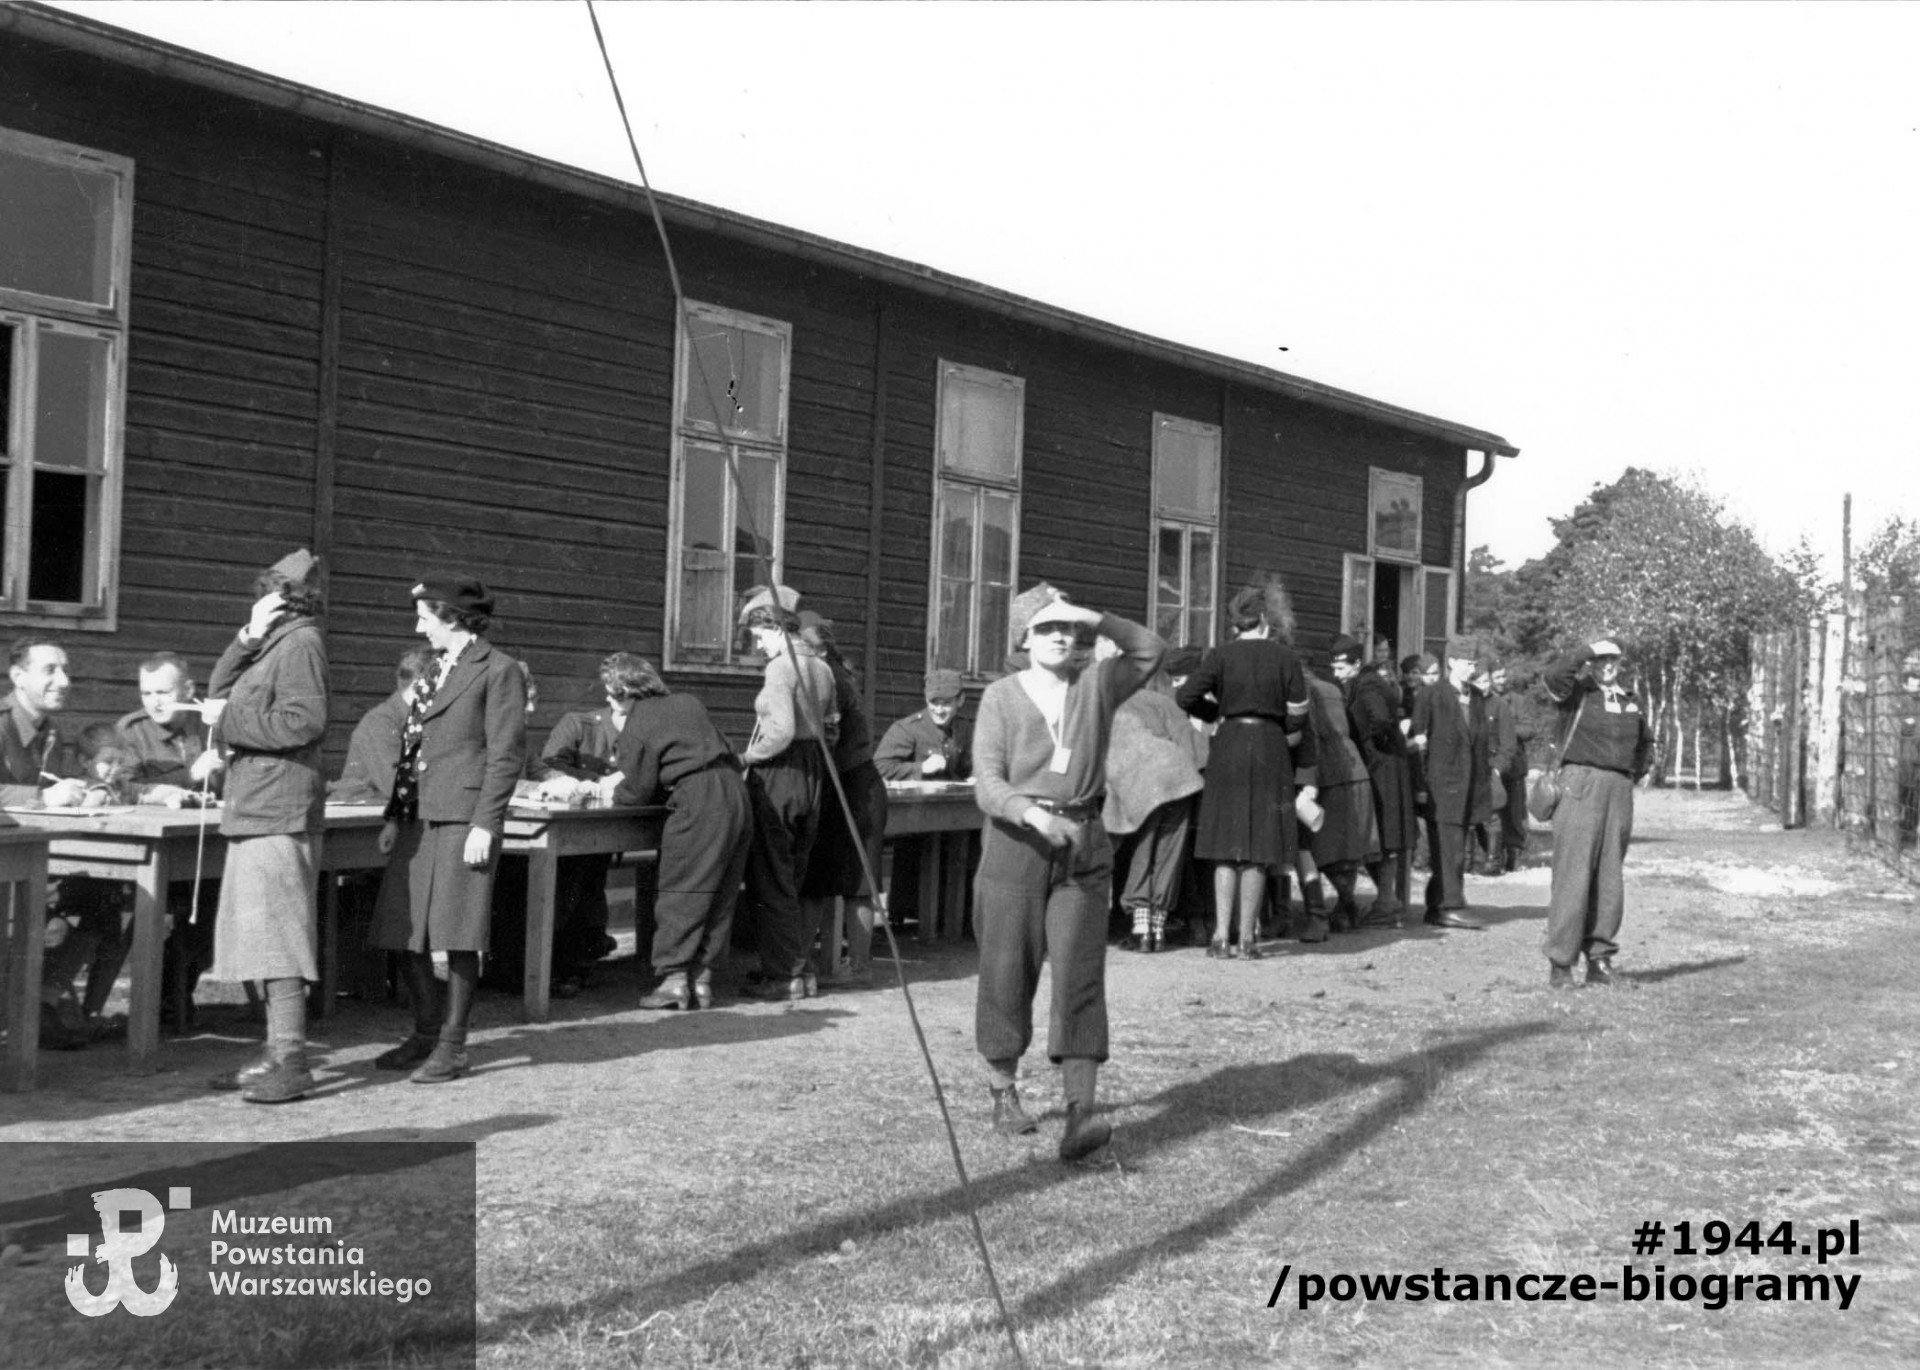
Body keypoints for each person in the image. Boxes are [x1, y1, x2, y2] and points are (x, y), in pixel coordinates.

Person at [974, 581, 1162, 1161]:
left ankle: (1081, 1113)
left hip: (1084, 844)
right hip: (1015, 847)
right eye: (1046, 627)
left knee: (1080, 976)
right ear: (1024, 638)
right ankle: (1004, 1091)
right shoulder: (1001, 698)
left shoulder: (1097, 686)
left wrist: (1092, 614)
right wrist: (1032, 815)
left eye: (1068, 628)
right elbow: (988, 783)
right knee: (1008, 972)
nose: (1060, 636)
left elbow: (1150, 650)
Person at [372, 575, 528, 1083]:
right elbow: (411, 748)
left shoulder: (498, 671)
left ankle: (454, 1045)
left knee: (460, 933)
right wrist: (396, 815)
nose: (420, 627)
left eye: (426, 617)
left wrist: (487, 822)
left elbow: (505, 754)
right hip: (418, 817)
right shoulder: (437, 669)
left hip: (464, 818)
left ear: (454, 618)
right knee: (409, 930)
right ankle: (425, 1032)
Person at [199, 549, 331, 1103]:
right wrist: (246, 637)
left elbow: (304, 722)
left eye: (266, 592)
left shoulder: (301, 644)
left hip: (277, 808)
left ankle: (292, 1061)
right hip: (256, 806)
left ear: (284, 598)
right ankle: (277, 1055)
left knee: (278, 940)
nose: (260, 599)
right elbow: (217, 689)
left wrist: (227, 720)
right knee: (261, 937)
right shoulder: (273, 643)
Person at [591, 655, 751, 1010]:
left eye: (611, 694)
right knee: (720, 890)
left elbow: (637, 791)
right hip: (736, 793)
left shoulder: (638, 721)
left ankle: (674, 979)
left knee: (683, 888)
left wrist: (608, 790)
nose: (608, 701)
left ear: (626, 691)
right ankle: (702, 979)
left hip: (697, 799)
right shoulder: (688, 702)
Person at [1176, 583, 1317, 960]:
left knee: (1226, 845)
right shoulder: (1285, 658)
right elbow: (1300, 711)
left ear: (1236, 623)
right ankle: (1248, 941)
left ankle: (1220, 937)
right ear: (1265, 620)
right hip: (1270, 746)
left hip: (1229, 746)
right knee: (1258, 847)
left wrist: (1218, 714)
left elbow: (1185, 697)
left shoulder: (1220, 656)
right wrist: (1283, 727)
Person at [737, 585, 839, 1001]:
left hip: (780, 772)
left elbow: (778, 731)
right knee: (793, 872)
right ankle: (800, 969)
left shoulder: (781, 668)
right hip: (814, 772)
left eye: (759, 636)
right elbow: (833, 726)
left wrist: (746, 757)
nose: (758, 645)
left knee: (770, 874)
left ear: (775, 627)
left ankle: (785, 973)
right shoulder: (823, 667)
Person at [1543, 637, 1653, 989]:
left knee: (1609, 878)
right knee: (1573, 876)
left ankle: (1600, 960)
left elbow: (1646, 744)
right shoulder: (1576, 693)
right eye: (1601, 660)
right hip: (1580, 784)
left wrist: (1633, 773)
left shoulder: (1631, 700)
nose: (1607, 666)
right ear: (1591, 662)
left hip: (1618, 790)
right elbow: (1554, 674)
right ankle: (1561, 965)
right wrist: (1587, 650)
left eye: (1614, 660)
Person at [523, 659, 634, 995]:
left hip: (601, 830)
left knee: (589, 877)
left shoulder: (642, 731)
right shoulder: (579, 724)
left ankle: (581, 960)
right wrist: (593, 782)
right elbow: (550, 763)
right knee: (574, 879)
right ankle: (564, 964)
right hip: (560, 829)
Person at [797, 613, 888, 988]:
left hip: (850, 786)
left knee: (845, 882)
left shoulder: (826, 678)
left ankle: (849, 966)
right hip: (853, 784)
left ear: (814, 647)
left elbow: (828, 739)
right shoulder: (837, 672)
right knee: (838, 880)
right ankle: (810, 963)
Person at [1101, 648, 1204, 953]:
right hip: (1178, 775)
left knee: (1143, 849)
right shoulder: (1161, 701)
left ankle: (1139, 927)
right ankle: (1155, 932)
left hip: (1138, 781)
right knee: (1169, 852)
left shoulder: (1104, 705)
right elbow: (1194, 747)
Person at [1409, 640, 1492, 931]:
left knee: (1453, 847)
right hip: (1440, 787)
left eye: (1474, 663)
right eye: (1467, 662)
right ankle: (1450, 906)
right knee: (1450, 849)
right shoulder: (1431, 695)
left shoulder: (1478, 697)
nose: (1472, 667)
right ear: (1452, 663)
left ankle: (1438, 904)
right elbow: (1418, 745)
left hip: (1469, 786)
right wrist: (1420, 785)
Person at [1332, 634, 1413, 927]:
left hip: (1382, 767)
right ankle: (1388, 901)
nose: (1336, 674)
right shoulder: (1367, 682)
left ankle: (1386, 904)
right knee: (1383, 834)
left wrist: (1369, 743)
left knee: (1386, 834)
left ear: (1355, 664)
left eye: (1341, 669)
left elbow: (1379, 720)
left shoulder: (1366, 685)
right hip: (1386, 764)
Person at [1299, 656, 1379, 934]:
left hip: (1327, 772)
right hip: (1354, 768)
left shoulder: (1304, 692)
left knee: (1324, 846)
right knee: (1348, 846)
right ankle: (1346, 907)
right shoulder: (1332, 688)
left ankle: (1342, 907)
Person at [328, 645, 436, 804]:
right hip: (365, 819)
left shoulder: (424, 720)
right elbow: (399, 786)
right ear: (419, 687)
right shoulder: (380, 723)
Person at [117, 653, 218, 803]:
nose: (154, 703)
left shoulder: (208, 722)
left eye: (163, 693)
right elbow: (123, 789)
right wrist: (190, 775)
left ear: (188, 690)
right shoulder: (132, 731)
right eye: (147, 694)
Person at [874, 669, 973, 781]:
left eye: (946, 703)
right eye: (934, 703)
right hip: (916, 798)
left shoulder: (964, 728)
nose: (939, 710)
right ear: (926, 699)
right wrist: (921, 768)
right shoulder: (907, 729)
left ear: (960, 700)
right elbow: (878, 767)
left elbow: (970, 767)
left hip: (952, 797)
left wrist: (974, 777)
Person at [1486, 664, 1532, 874]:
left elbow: (1530, 728)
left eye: (1504, 676)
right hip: (1491, 763)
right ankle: (1491, 855)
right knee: (1492, 812)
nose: (1502, 680)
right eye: (1497, 676)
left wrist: (1505, 728)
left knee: (1514, 814)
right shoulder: (1483, 700)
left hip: (1513, 765)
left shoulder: (1518, 700)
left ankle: (1513, 855)